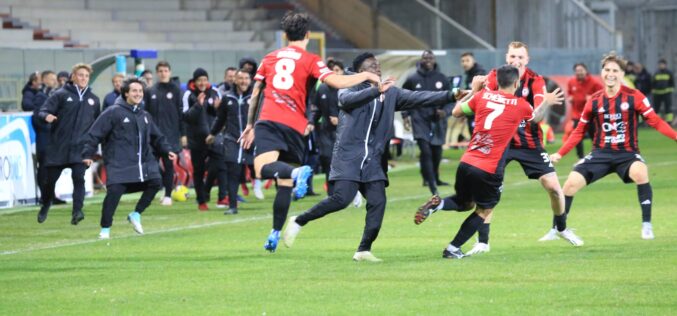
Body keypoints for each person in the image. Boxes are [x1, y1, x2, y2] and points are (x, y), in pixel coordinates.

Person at [282, 52, 459, 262]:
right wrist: (376, 90)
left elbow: (419, 98)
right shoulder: (349, 86)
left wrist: (453, 95)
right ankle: (299, 221)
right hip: (348, 156)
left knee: (378, 201)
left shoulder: (390, 93)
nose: (377, 68)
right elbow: (346, 100)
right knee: (341, 199)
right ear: (359, 72)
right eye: (371, 66)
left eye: (377, 65)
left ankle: (363, 250)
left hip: (373, 159)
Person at [239, 11, 381, 252]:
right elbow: (335, 82)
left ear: (285, 36)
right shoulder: (312, 60)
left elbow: (255, 95)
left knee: (261, 168)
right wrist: (367, 75)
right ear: (307, 35)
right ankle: (274, 233)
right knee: (283, 182)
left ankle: (297, 174)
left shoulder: (269, 58)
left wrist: (250, 126)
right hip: (295, 128)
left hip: (270, 120)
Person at [412, 65, 582, 259]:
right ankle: (452, 249)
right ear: (517, 83)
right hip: (488, 168)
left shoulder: (482, 96)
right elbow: (535, 119)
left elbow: (456, 112)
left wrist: (475, 90)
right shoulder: (521, 105)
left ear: (497, 81)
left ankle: (438, 204)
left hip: (466, 162)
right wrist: (546, 102)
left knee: (464, 202)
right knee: (485, 210)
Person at [550, 53, 677, 240]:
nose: (610, 74)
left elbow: (656, 122)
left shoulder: (635, 96)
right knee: (569, 185)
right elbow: (578, 131)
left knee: (641, 172)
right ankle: (556, 229)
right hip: (600, 154)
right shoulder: (594, 100)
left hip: (627, 153)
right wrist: (560, 153)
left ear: (622, 74)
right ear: (602, 72)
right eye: (607, 70)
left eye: (615, 70)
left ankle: (646, 225)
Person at [467, 42, 573, 254]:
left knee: (553, 186)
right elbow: (476, 103)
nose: (516, 61)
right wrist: (473, 91)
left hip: (529, 143)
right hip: (499, 142)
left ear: (527, 60)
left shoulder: (535, 81)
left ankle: (561, 228)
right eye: (512, 56)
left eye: (520, 58)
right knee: (487, 191)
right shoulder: (494, 76)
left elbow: (537, 118)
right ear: (507, 57)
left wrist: (546, 103)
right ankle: (483, 242)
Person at [82, 78, 177, 239]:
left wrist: (167, 149)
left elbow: (157, 137)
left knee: (156, 182)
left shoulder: (145, 115)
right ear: (126, 93)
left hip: (143, 163)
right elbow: (94, 134)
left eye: (140, 91)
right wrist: (87, 154)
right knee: (114, 193)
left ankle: (136, 214)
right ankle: (105, 229)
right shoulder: (113, 112)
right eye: (134, 91)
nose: (138, 94)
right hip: (119, 164)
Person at [37, 63, 101, 225]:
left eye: (86, 76)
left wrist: (92, 150)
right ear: (73, 76)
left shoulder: (94, 100)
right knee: (49, 181)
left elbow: (97, 127)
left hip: (81, 149)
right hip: (58, 147)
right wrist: (47, 117)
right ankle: (46, 203)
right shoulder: (60, 94)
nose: (83, 78)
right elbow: (42, 111)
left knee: (78, 178)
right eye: (80, 75)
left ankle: (77, 211)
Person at [402, 50, 452, 195]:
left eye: (430, 58)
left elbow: (451, 99)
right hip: (419, 119)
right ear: (421, 60)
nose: (428, 60)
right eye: (425, 58)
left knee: (436, 153)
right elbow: (403, 98)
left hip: (437, 120)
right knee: (426, 151)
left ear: (434, 60)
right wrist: (406, 116)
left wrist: (445, 112)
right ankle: (431, 184)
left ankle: (434, 178)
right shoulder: (412, 79)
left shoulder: (442, 79)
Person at [207, 69, 255, 214]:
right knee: (232, 172)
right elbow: (220, 119)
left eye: (246, 78)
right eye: (240, 78)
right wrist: (212, 133)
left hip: (252, 139)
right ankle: (232, 206)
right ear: (235, 80)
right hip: (232, 139)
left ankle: (286, 192)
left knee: (262, 170)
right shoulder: (227, 99)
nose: (244, 81)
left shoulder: (256, 97)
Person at [145, 61, 185, 206]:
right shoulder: (150, 91)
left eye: (165, 70)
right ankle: (158, 190)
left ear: (170, 72)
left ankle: (168, 195)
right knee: (152, 166)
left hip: (170, 136)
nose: (163, 73)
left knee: (168, 165)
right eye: (160, 71)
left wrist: (183, 134)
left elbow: (181, 114)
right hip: (153, 136)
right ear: (157, 73)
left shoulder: (176, 91)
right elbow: (146, 114)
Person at [182, 68, 221, 211]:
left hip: (213, 138)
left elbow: (219, 115)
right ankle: (201, 201)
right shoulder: (188, 94)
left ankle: (209, 190)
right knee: (198, 171)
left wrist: (217, 108)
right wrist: (198, 104)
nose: (202, 83)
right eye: (199, 80)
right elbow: (186, 117)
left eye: (204, 79)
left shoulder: (215, 92)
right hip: (196, 140)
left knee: (219, 164)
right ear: (194, 81)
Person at [314, 59, 344, 195]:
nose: (335, 73)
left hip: (344, 132)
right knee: (328, 160)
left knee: (344, 162)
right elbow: (316, 109)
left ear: (342, 72)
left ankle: (352, 191)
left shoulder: (347, 89)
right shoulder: (322, 88)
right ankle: (331, 194)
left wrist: (341, 120)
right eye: (332, 70)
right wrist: (309, 123)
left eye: (337, 70)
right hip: (325, 131)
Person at [565, 63, 603, 158]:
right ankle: (581, 157)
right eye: (577, 71)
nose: (579, 73)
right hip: (577, 115)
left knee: (594, 136)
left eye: (581, 70)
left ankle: (597, 155)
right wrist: (570, 97)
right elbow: (569, 93)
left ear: (586, 71)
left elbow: (603, 95)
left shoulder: (594, 82)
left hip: (591, 115)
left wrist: (592, 97)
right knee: (576, 136)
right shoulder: (571, 82)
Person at [460, 52, 486, 134]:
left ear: (473, 61)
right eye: (463, 61)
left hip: (478, 113)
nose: (465, 63)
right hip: (471, 111)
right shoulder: (469, 75)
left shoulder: (479, 74)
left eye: (467, 60)